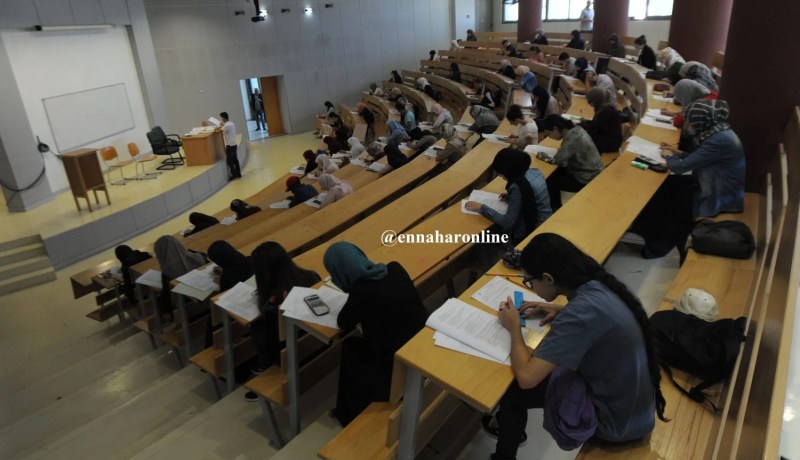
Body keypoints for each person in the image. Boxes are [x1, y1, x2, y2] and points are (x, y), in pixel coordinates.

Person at [485, 232, 667, 460]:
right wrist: (561, 309)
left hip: (614, 424)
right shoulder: (601, 283)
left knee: (513, 395)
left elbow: (527, 377)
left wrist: (513, 327)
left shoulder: (579, 314)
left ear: (548, 278)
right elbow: (597, 319)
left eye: (530, 281)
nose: (531, 287)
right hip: (635, 409)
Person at [323, 242, 428, 426]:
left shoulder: (361, 291)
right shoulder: (395, 268)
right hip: (421, 345)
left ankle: (346, 413)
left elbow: (343, 322)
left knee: (350, 346)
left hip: (395, 364)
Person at [245, 241, 321, 398]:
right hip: (314, 336)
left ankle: (264, 368)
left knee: (256, 328)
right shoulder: (311, 276)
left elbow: (272, 337)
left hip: (290, 348)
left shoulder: (274, 301)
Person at [660, 99, 745, 217]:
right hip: (717, 184)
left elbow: (680, 167)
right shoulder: (717, 132)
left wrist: (669, 157)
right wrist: (677, 152)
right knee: (671, 188)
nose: (686, 126)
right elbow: (701, 159)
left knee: (668, 200)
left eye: (689, 123)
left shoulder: (718, 141)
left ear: (701, 122)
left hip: (721, 199)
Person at [465, 149, 552, 245]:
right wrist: (511, 196)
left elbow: (508, 223)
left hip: (533, 228)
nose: (500, 176)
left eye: (501, 173)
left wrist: (482, 207)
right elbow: (530, 195)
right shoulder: (535, 172)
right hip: (546, 218)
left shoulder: (517, 187)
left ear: (509, 171)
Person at [540, 114, 603, 209]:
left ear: (555, 129)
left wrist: (542, 156)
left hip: (586, 177)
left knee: (550, 182)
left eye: (549, 134)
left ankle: (555, 209)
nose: (550, 137)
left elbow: (559, 161)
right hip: (595, 171)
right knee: (557, 172)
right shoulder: (576, 129)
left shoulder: (571, 137)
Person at [154, 235, 207, 321]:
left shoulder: (168, 276)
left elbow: (167, 309)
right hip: (207, 306)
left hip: (189, 316)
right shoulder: (198, 258)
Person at [581, 87, 623, 153]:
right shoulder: (603, 107)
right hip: (605, 138)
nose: (589, 104)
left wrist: (581, 124)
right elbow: (596, 124)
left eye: (590, 101)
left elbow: (595, 127)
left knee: (581, 138)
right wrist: (584, 122)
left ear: (597, 100)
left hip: (610, 144)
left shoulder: (608, 111)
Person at [219, 112, 241, 180]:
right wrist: (222, 124)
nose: (221, 119)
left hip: (229, 145)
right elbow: (225, 126)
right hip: (234, 144)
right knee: (235, 160)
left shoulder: (226, 126)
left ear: (224, 118)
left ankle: (234, 176)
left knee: (230, 161)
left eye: (222, 118)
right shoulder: (231, 123)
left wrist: (220, 125)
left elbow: (220, 131)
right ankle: (238, 174)